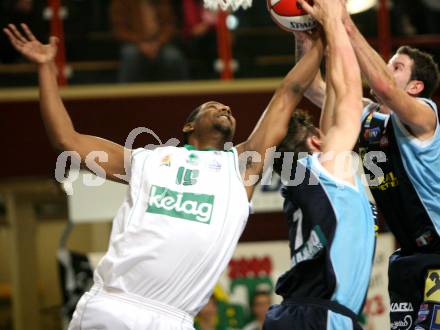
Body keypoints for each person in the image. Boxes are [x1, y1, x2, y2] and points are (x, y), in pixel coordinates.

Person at [3, 22, 323, 329]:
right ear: (188, 126)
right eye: (213, 106)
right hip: (114, 305)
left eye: (228, 109)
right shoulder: (148, 159)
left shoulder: (242, 167)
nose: (224, 107)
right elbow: (67, 141)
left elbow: (289, 92)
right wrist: (46, 67)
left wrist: (324, 35)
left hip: (174, 317)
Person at [297, 0, 440, 328]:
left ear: (416, 87)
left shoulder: (425, 117)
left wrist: (343, 21)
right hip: (406, 258)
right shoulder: (370, 118)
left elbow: (385, 88)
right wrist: (304, 34)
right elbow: (315, 88)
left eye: (397, 67)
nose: (386, 70)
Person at [264, 0, 376, 328]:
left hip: (294, 313)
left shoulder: (302, 178)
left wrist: (306, 37)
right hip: (322, 317)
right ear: (315, 141)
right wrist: (334, 23)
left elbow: (329, 96)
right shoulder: (326, 168)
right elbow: (349, 94)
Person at [110, 0, 188, 83]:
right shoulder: (121, 2)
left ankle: (184, 93)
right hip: (134, 43)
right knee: (130, 54)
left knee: (173, 57)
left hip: (159, 43)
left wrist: (158, 43)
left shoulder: (162, 2)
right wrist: (140, 43)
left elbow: (169, 25)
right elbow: (119, 30)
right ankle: (125, 93)